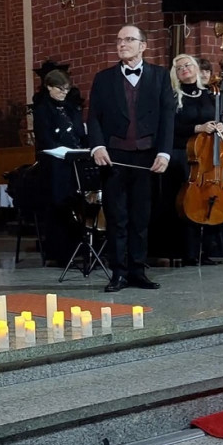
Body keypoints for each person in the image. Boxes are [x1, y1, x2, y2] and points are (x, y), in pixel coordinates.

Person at [87, 25, 174, 292]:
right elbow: (94, 117)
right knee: (117, 217)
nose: (122, 44)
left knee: (141, 217)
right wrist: (97, 146)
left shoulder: (159, 76)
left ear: (143, 46)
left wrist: (164, 151)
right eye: (119, 40)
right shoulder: (103, 78)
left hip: (147, 157)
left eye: (129, 39)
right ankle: (118, 274)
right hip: (114, 158)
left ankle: (138, 271)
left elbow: (168, 115)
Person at [163, 53, 223, 265]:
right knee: (186, 201)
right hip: (182, 153)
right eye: (179, 67)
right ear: (176, 74)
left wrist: (221, 124)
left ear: (195, 68)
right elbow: (169, 127)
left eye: (188, 65)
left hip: (208, 156)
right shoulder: (173, 96)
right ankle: (187, 252)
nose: (185, 69)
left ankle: (209, 250)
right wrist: (197, 128)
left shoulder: (210, 94)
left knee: (210, 197)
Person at [32, 68, 87, 265]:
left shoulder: (71, 107)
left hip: (74, 160)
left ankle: (84, 246)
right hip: (54, 164)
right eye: (60, 89)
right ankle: (61, 252)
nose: (64, 93)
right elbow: (45, 139)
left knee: (80, 202)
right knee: (59, 204)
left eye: (66, 89)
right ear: (48, 87)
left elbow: (80, 131)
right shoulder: (42, 109)